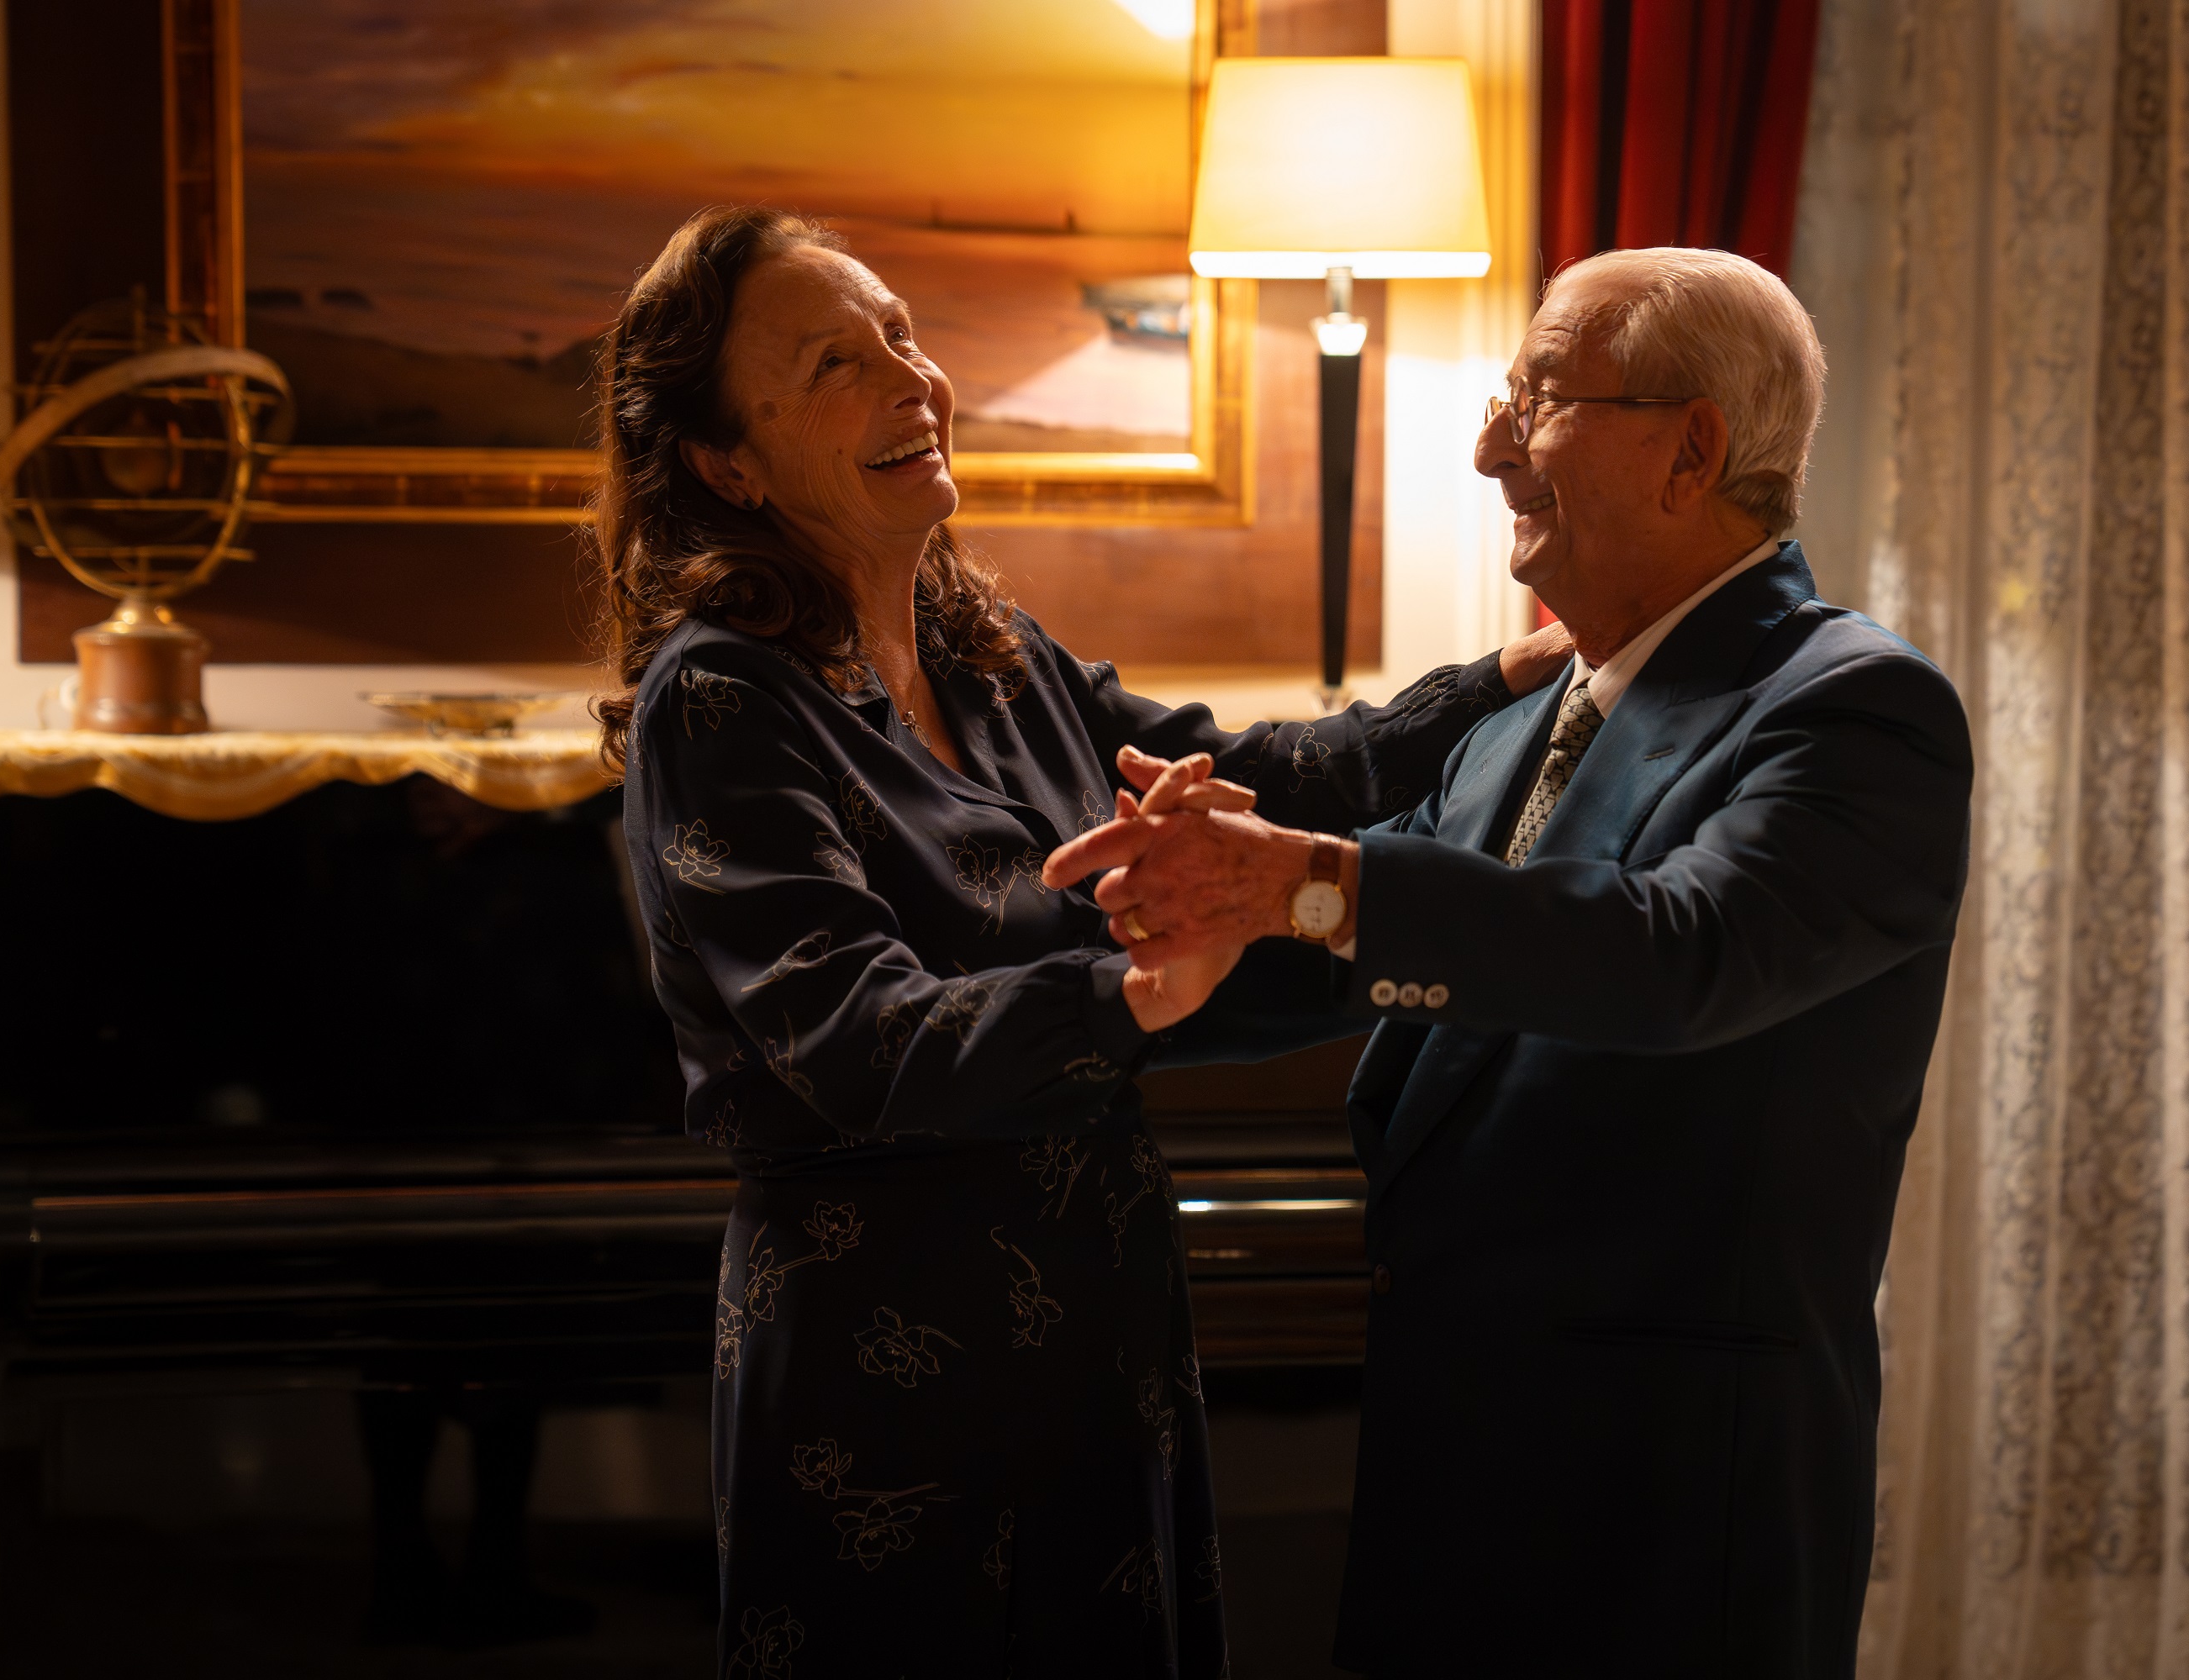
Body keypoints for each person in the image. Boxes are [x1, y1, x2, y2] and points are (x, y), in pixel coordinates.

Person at [593, 205, 1569, 1677]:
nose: (911, 381)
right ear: (729, 464)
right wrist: (1136, 992)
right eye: (835, 365)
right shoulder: (721, 698)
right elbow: (860, 1043)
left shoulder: (988, 651)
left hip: (1097, 1319)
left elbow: (1254, 774)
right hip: (885, 1365)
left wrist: (1508, 675)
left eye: (900, 335)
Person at [1045, 246, 1975, 1676]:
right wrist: (1116, 969)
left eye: (1537, 401)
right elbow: (1351, 954)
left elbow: (1676, 952)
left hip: (1674, 1506)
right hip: (1454, 1471)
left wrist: (1301, 880)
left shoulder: (1854, 709)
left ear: (1692, 451)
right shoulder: (1524, 714)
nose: (1490, 451)